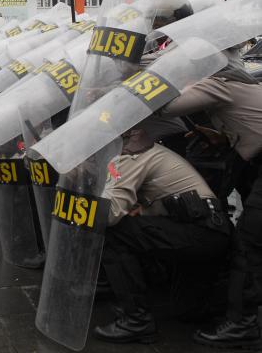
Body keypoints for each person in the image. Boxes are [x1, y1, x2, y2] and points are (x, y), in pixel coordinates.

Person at [159, 52, 262, 349]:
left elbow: (165, 107)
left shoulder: (216, 84)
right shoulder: (240, 83)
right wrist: (222, 137)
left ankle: (242, 324)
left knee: (249, 241)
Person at [94, 130, 232, 344]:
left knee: (115, 232)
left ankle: (136, 319)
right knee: (186, 311)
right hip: (203, 231)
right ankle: (229, 291)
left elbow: (109, 214)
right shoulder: (142, 147)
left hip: (201, 231)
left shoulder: (131, 154)